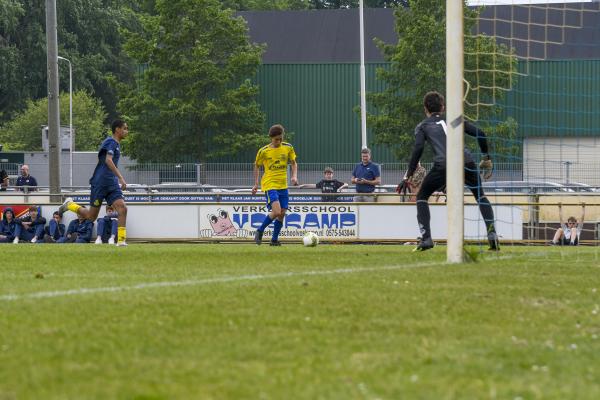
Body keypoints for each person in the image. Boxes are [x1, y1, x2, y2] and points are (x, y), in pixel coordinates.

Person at [403, 91, 499, 251]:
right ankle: (492, 236)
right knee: (481, 196)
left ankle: (426, 239)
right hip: (466, 161)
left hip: (444, 165)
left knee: (422, 196)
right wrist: (486, 156)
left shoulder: (423, 126)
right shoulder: (454, 120)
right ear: (443, 107)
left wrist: (409, 174)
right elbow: (480, 134)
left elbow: (418, 148)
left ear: (425, 108)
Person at [59, 119, 129, 246]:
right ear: (117, 129)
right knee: (91, 217)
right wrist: (121, 178)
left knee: (122, 208)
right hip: (100, 183)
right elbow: (108, 160)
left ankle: (121, 241)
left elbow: (102, 160)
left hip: (111, 183)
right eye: (124, 128)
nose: (126, 131)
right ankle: (70, 205)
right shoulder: (111, 142)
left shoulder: (116, 144)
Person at [252, 124, 298, 246]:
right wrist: (256, 184)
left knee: (282, 213)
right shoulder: (264, 151)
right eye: (276, 139)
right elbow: (256, 165)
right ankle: (260, 230)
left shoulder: (288, 147)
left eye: (280, 138)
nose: (278, 141)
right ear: (271, 138)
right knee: (277, 211)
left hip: (283, 185)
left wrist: (294, 176)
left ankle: (274, 240)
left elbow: (293, 163)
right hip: (269, 183)